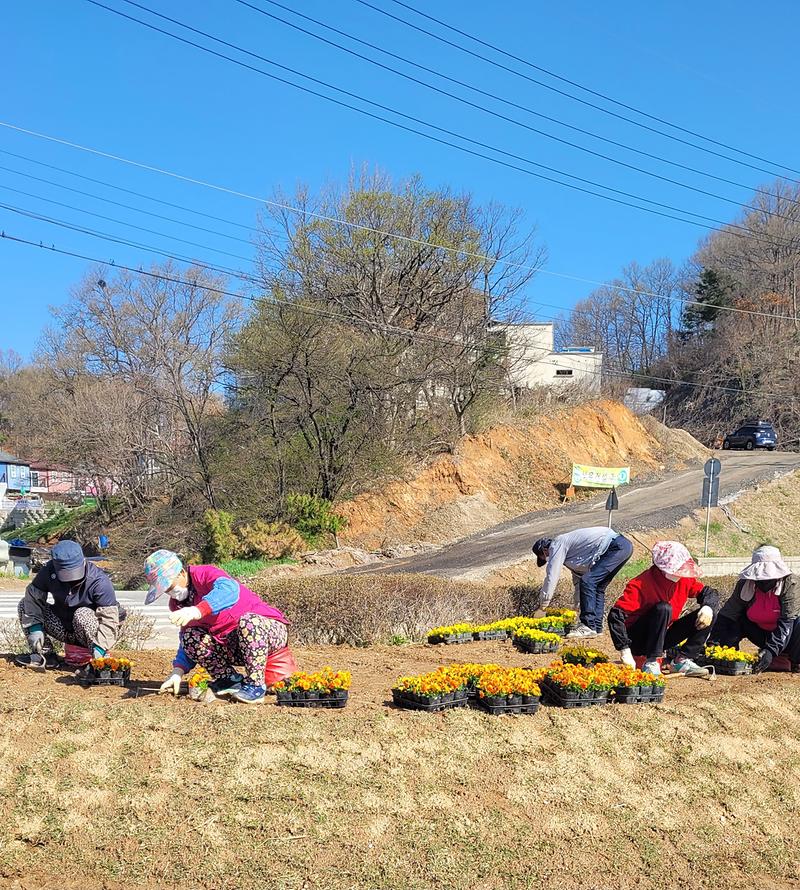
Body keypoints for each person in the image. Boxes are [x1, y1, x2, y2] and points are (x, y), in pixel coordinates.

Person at [146, 549, 290, 704]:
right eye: (165, 590)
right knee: (190, 637)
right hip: (232, 645)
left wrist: (198, 610)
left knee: (249, 622)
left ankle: (255, 686)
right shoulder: (178, 605)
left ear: (181, 573)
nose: (170, 592)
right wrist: (177, 671)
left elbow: (229, 590)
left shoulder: (205, 574)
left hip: (265, 633)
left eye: (170, 585)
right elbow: (187, 640)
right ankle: (229, 680)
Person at [606, 541, 718, 677]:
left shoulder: (684, 580)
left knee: (710, 612)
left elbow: (708, 592)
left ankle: (683, 659)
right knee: (663, 608)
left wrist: (707, 607)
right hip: (638, 639)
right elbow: (615, 616)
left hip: (662, 636)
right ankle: (651, 662)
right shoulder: (641, 584)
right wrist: (625, 650)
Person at [16, 539, 124, 669]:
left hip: (88, 633)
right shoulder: (48, 572)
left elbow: (109, 620)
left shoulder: (98, 581)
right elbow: (32, 600)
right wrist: (35, 629)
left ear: (83, 562)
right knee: (24, 605)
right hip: (63, 627)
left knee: (82, 613)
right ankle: (45, 655)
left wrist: (100, 647)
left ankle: (98, 660)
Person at [711, 545, 800, 673]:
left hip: (791, 635)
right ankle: (729, 654)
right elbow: (727, 614)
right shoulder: (745, 585)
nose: (763, 582)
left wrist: (771, 650)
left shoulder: (791, 584)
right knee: (736, 620)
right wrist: (715, 640)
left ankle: (794, 659)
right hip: (762, 633)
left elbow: (787, 622)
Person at [532, 527, 634, 638]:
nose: (547, 560)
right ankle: (596, 627)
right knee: (597, 586)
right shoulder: (571, 554)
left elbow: (552, 575)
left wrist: (543, 606)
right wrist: (577, 605)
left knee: (589, 581)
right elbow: (578, 581)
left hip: (615, 547)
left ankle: (588, 626)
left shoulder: (556, 545)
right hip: (622, 547)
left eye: (544, 558)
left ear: (545, 550)